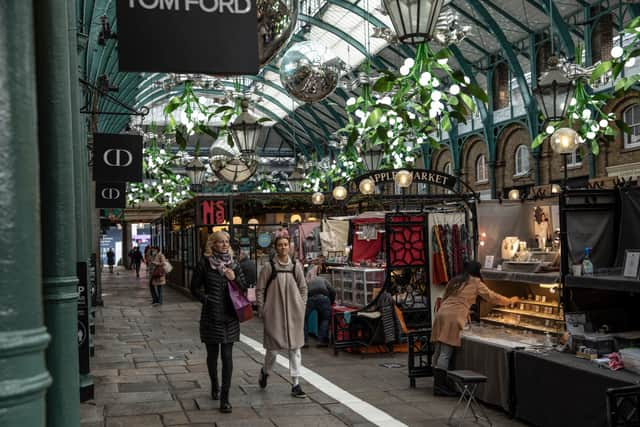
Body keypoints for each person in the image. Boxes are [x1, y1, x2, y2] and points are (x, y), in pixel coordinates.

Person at [430, 260, 517, 396]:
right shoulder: (475, 282)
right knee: (445, 353)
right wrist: (509, 301)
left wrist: (465, 310)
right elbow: (491, 296)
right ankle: (439, 387)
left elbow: (448, 298)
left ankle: (438, 382)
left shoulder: (455, 280)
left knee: (439, 349)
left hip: (442, 314)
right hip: (452, 317)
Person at [190, 231, 247, 414]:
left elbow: (244, 288)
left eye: (226, 242)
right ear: (212, 244)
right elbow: (194, 288)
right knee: (213, 356)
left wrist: (234, 278)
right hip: (211, 316)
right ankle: (214, 384)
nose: (224, 245)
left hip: (230, 316)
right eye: (220, 242)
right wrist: (206, 299)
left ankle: (225, 397)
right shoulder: (204, 264)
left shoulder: (234, 264)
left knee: (228, 357)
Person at [256, 236, 308, 398]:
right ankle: (265, 372)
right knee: (272, 351)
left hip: (294, 313)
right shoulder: (268, 267)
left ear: (289, 247)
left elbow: (303, 287)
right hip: (274, 314)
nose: (283, 247)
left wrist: (302, 306)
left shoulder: (296, 266)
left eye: (286, 244)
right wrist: (262, 309)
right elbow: (260, 289)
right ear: (275, 247)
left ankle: (296, 383)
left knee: (295, 350)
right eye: (280, 245)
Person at [304, 275, 335, 347]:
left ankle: (304, 341)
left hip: (310, 299)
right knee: (325, 319)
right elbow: (332, 290)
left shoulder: (308, 282)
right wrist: (331, 302)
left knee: (304, 319)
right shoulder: (323, 279)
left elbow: (304, 292)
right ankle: (321, 341)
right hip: (323, 298)